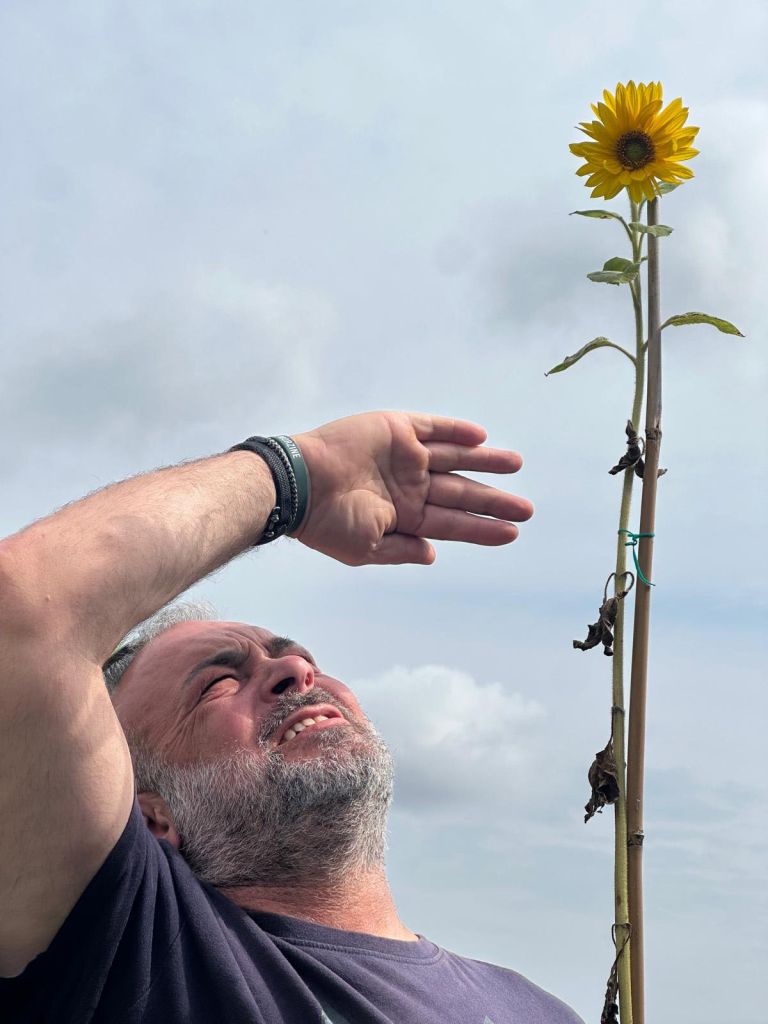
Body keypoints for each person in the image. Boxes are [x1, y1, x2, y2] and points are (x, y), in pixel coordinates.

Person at [0, 410, 583, 1023]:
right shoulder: (137, 957)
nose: (296, 673)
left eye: (297, 656)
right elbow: (26, 611)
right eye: (219, 682)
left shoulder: (539, 1011)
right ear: (151, 815)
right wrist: (296, 476)